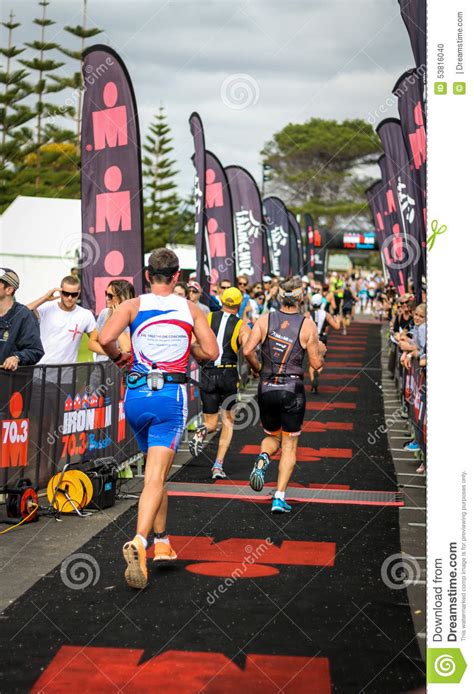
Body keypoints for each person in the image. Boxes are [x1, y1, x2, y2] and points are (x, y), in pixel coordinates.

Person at [99, 248, 218, 590]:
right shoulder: (189, 308)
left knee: (155, 470)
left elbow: (105, 339)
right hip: (170, 398)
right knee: (155, 476)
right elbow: (211, 352)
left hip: (136, 397)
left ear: (147, 275)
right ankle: (140, 540)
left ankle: (162, 540)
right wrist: (187, 347)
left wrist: (122, 357)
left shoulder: (132, 305)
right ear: (177, 276)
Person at [243, 277, 326, 513]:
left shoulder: (265, 319)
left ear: (280, 296)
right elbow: (317, 364)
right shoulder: (307, 324)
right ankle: (279, 497)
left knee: (273, 437)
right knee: (289, 445)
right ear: (301, 297)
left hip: (267, 387)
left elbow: (247, 350)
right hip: (292, 389)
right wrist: (322, 350)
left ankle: (263, 457)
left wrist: (258, 368)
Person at [189, 287, 259, 479]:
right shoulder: (242, 325)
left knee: (210, 422)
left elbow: (193, 343)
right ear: (238, 304)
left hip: (208, 372)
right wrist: (257, 368)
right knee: (228, 421)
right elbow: (248, 351)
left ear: (221, 300)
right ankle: (218, 466)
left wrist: (202, 359)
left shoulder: (208, 318)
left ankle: (202, 431)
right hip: (228, 373)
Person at [27, 275, 96, 364]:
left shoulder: (86, 315)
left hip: (68, 372)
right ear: (60, 292)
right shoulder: (46, 309)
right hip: (42, 369)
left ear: (78, 294)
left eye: (74, 294)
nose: (70, 298)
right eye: (66, 294)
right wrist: (45, 298)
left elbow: (97, 341)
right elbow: (23, 312)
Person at [0, 268, 44, 370]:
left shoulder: (24, 315)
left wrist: (17, 357)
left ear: (9, 290)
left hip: (11, 381)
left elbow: (35, 350)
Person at [88, 280, 135, 361]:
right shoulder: (104, 313)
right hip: (100, 367)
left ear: (122, 297)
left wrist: (117, 318)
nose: (106, 298)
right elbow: (91, 343)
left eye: (110, 296)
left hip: (119, 369)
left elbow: (126, 348)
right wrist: (113, 354)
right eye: (106, 294)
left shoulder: (131, 318)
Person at [309, 293, 340, 392]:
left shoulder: (307, 314)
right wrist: (338, 320)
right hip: (322, 338)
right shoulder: (326, 314)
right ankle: (317, 372)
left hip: (311, 338)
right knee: (321, 361)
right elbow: (337, 327)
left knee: (311, 363)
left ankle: (313, 385)